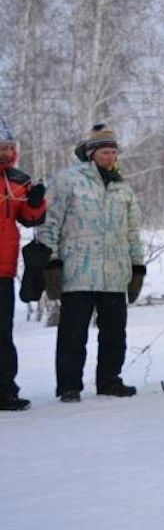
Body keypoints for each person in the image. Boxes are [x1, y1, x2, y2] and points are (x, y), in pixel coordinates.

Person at [37, 124, 145, 402]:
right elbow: (50, 224)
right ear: (92, 153)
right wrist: (51, 263)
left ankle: (110, 380)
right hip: (78, 271)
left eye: (114, 152)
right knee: (73, 334)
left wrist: (137, 267)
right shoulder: (68, 181)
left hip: (114, 273)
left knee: (114, 334)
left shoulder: (123, 187)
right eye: (106, 152)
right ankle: (69, 386)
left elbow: (133, 231)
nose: (111, 157)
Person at [0, 119, 46, 411]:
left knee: (3, 334)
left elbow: (30, 219)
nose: (5, 152)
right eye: (1, 148)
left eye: (9, 148)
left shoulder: (19, 180)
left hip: (4, 269)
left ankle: (5, 390)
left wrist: (37, 202)